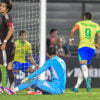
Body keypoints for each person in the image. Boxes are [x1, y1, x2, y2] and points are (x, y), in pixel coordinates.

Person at [1, 46, 67, 95]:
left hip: (56, 88)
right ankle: (38, 92)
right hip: (61, 88)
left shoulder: (51, 61)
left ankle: (13, 91)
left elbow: (39, 71)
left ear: (47, 54)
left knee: (34, 81)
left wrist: (27, 78)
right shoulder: (62, 60)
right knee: (41, 83)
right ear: (56, 53)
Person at [69, 12, 100, 92]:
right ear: (91, 18)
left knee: (83, 66)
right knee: (83, 67)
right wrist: (98, 44)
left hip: (83, 47)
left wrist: (71, 40)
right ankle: (76, 87)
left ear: (84, 17)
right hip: (92, 48)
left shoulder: (80, 23)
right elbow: (99, 35)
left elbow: (72, 31)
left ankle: (87, 79)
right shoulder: (96, 25)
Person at [0, 1, 15, 90]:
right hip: (9, 45)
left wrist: (4, 42)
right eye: (0, 5)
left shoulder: (6, 17)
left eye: (3, 6)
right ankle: (11, 86)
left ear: (7, 9)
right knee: (9, 67)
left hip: (7, 46)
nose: (0, 7)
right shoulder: (4, 17)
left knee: (2, 65)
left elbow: (11, 30)